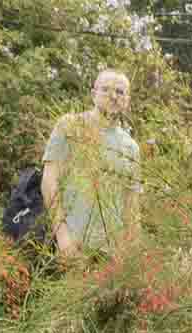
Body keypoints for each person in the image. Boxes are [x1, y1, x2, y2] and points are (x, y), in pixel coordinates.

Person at [41, 68, 139, 262]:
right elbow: (49, 181)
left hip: (111, 256)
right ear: (93, 94)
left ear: (127, 100)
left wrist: (131, 254)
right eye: (106, 89)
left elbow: (132, 203)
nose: (113, 96)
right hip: (73, 247)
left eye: (120, 92)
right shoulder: (70, 126)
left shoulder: (131, 147)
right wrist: (62, 238)